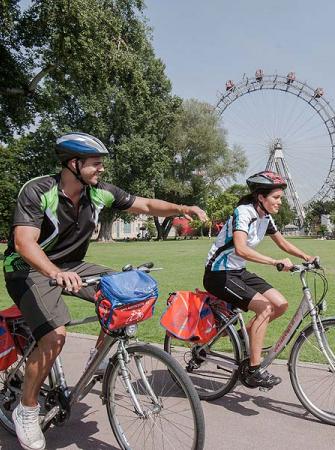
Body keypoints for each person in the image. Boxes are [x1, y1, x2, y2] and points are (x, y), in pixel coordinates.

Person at [3, 132, 207, 450]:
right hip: (27, 270)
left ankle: (98, 362)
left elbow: (147, 204)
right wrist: (55, 273)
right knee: (55, 336)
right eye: (96, 164)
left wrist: (182, 208)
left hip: (71, 265)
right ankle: (26, 410)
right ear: (74, 163)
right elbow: (23, 243)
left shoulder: (98, 194)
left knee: (124, 292)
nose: (101, 169)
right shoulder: (38, 191)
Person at [203, 170, 316, 389]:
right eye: (276, 197)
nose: (280, 202)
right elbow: (241, 248)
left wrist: (306, 256)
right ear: (261, 198)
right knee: (264, 308)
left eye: (281, 197)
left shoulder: (266, 218)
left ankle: (242, 339)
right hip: (219, 273)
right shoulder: (243, 212)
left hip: (237, 271)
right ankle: (254, 371)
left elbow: (282, 243)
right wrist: (275, 262)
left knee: (280, 304)